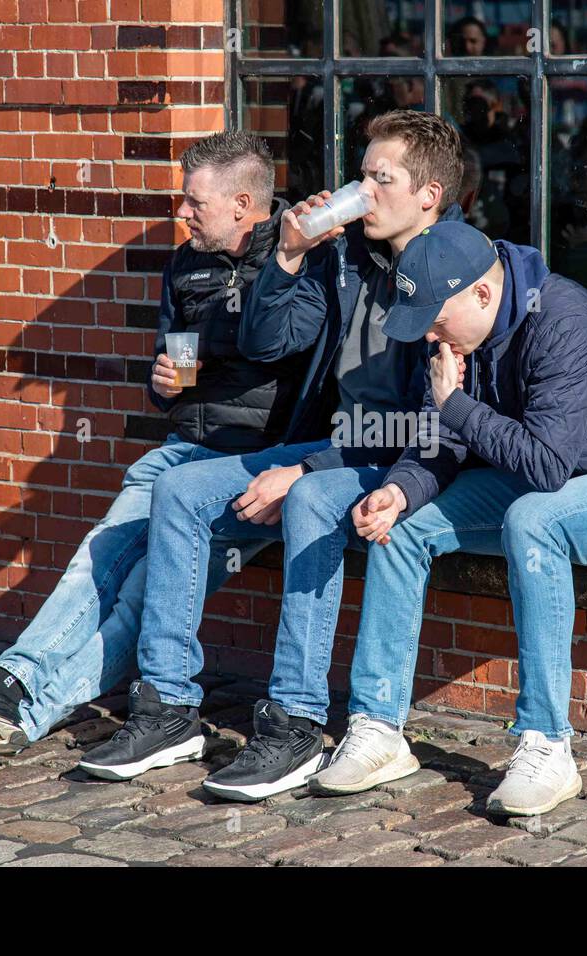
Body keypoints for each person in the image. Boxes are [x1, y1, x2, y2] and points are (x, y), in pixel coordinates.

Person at [74, 111, 470, 802]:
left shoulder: (458, 266)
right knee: (179, 491)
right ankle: (166, 707)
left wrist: (308, 469)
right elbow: (266, 341)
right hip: (333, 444)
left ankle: (295, 722)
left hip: (405, 458)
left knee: (313, 497)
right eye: (364, 174)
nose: (365, 190)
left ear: (428, 195)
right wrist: (288, 257)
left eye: (383, 178)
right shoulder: (345, 258)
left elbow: (430, 426)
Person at [0, 132, 308, 779]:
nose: (181, 214)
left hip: (251, 470)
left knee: (145, 599)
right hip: (182, 451)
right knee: (100, 554)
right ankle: (9, 689)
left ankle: (14, 710)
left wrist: (220, 359)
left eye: (193, 204)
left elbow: (287, 354)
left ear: (242, 205)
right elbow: (173, 361)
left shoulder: (295, 262)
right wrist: (166, 382)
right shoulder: (186, 265)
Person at [307, 220, 587, 816]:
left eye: (437, 320)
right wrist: (400, 491)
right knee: (404, 526)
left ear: (483, 295)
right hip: (550, 477)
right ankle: (379, 727)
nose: (430, 336)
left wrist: (456, 404)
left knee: (531, 520)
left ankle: (547, 743)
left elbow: (543, 464)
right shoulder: (454, 337)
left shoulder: (562, 321)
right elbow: (440, 438)